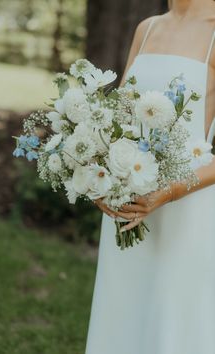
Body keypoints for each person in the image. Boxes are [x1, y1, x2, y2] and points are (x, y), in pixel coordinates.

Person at [84, 1, 215, 353]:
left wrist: (167, 193)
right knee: (122, 314)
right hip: (129, 201)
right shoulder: (148, 28)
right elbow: (119, 114)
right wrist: (100, 176)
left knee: (174, 323)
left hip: (186, 207)